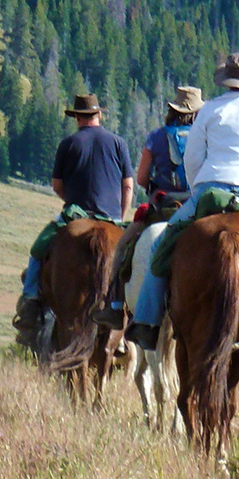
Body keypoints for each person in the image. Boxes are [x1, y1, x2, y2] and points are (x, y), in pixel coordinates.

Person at [125, 51, 239, 354]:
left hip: (209, 187)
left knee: (162, 245)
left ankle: (146, 321)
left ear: (226, 79)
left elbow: (193, 157)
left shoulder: (209, 110)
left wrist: (199, 186)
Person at [13, 94, 135, 346]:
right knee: (134, 261)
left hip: (76, 214)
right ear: (99, 115)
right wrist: (118, 217)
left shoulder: (68, 143)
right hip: (112, 217)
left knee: (37, 251)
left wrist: (71, 199)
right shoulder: (118, 143)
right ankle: (137, 316)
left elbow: (57, 184)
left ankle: (31, 302)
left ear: (77, 117)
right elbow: (128, 186)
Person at [93, 85, 203, 329]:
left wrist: (155, 185)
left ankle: (114, 306)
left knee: (123, 247)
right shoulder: (204, 136)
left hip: (164, 207)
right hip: (198, 205)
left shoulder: (156, 137)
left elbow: (141, 178)